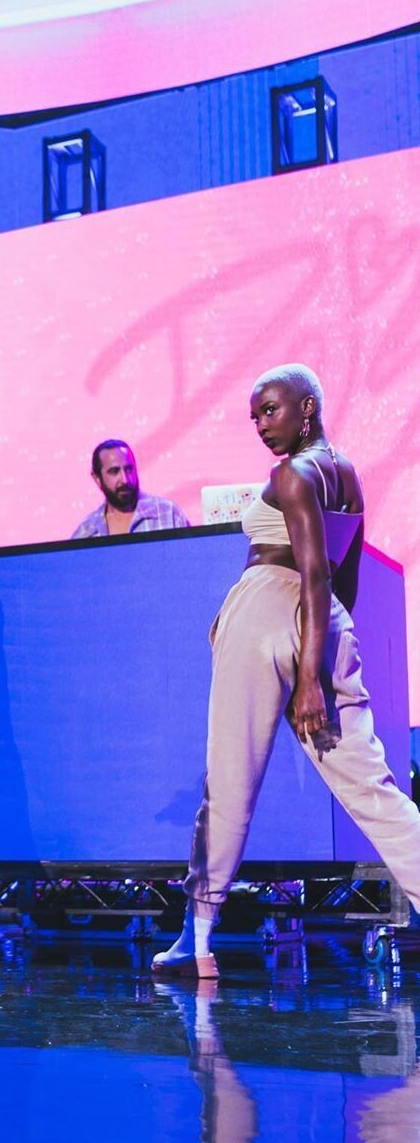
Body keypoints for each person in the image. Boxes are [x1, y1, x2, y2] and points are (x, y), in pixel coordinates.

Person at [153, 365, 420, 977]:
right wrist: (322, 656)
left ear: (307, 408)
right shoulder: (347, 475)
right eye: (254, 415)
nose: (260, 425)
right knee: (374, 788)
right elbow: (342, 580)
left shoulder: (292, 474)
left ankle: (196, 940)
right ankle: (195, 939)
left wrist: (306, 678)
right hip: (326, 624)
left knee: (229, 784)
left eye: (270, 410)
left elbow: (315, 573)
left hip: (269, 614)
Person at [70, 439, 189, 538]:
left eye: (129, 469)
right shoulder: (86, 533)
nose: (125, 480)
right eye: (114, 471)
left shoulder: (168, 514)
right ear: (97, 479)